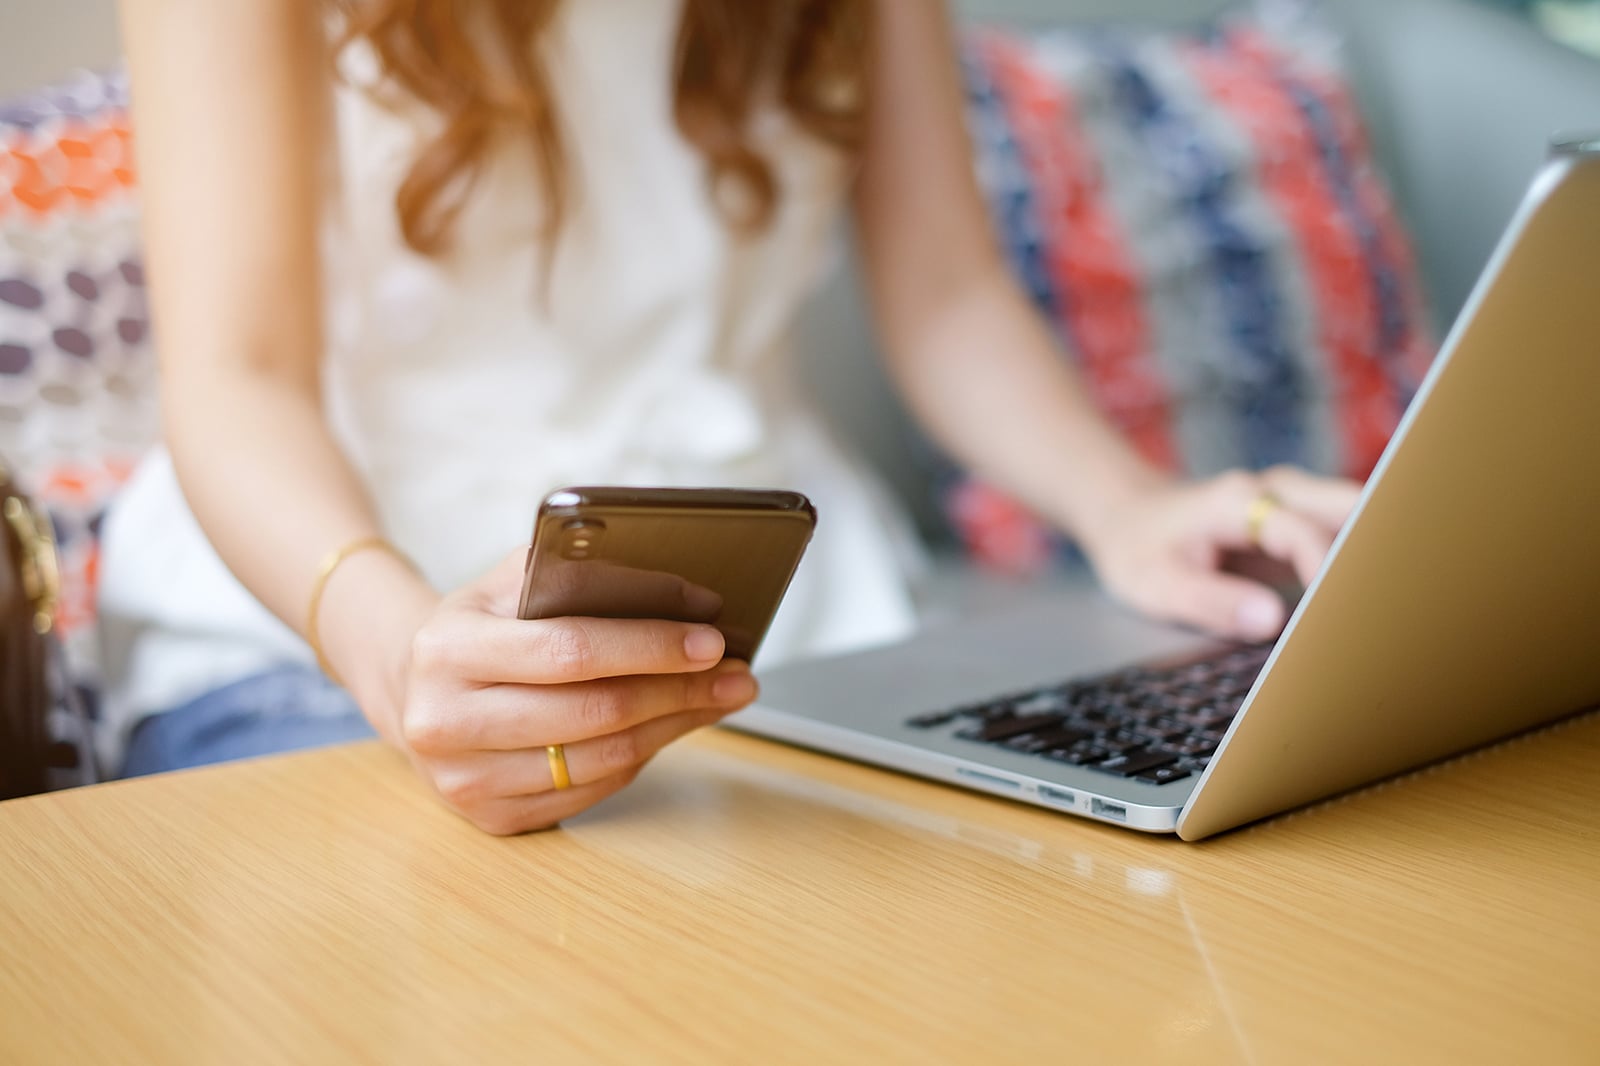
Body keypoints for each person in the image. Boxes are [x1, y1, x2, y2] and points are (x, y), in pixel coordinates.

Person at [104, 0, 1359, 834]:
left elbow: (947, 295)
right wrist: (393, 655)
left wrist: (1127, 508)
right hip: (320, 630)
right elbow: (235, 379)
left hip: (788, 636)